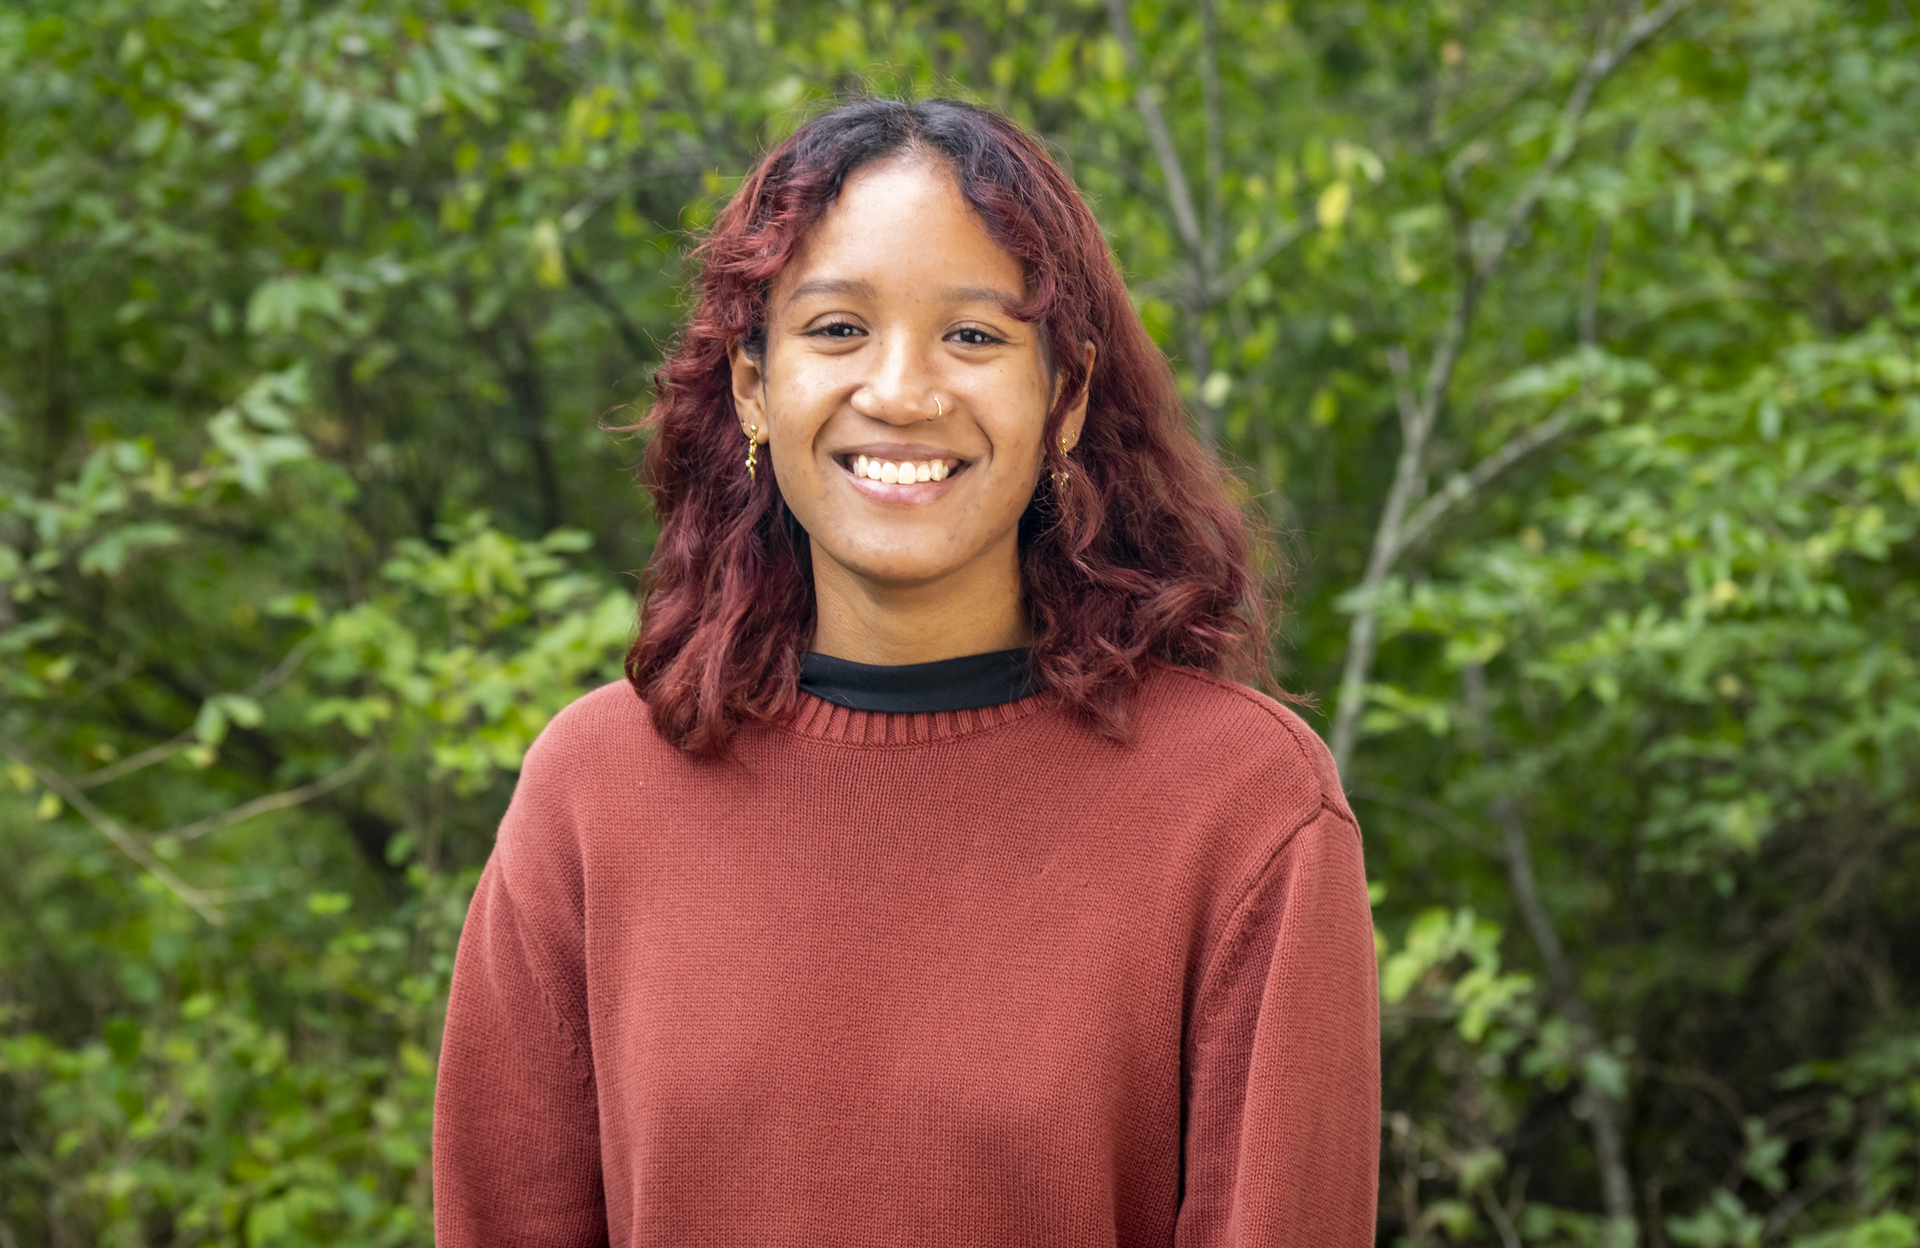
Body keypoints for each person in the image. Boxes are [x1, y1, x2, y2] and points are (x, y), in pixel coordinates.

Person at [433, 97, 1379, 1247]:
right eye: (836, 329)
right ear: (750, 385)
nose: (903, 390)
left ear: (1065, 398)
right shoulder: (593, 793)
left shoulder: (1240, 807)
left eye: (974, 337)